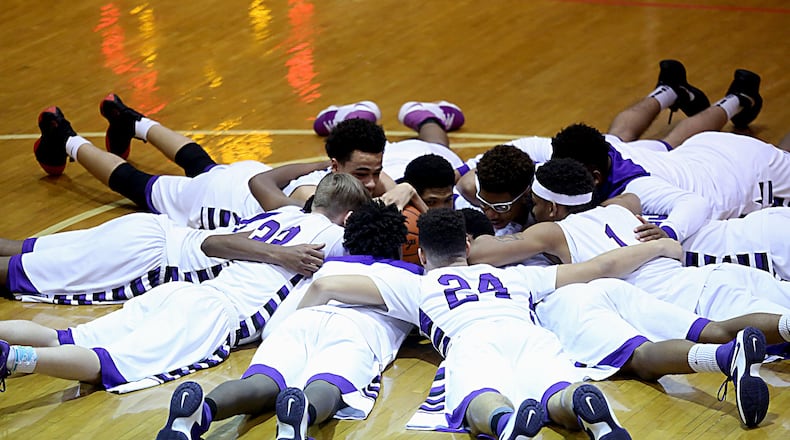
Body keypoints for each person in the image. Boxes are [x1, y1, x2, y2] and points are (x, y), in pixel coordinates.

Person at [297, 208, 698, 439]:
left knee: (475, 400)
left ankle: (505, 425)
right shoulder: (516, 275)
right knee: (554, 389)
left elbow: (330, 285)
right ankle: (581, 407)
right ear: (468, 246)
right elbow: (601, 266)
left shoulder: (415, 285)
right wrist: (659, 246)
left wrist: (296, 325)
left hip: (473, 342)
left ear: (421, 254)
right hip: (529, 333)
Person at [0, 173, 368, 394]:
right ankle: (14, 359)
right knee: (106, 366)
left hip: (182, 291)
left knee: (68, 337)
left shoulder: (278, 215)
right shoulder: (331, 237)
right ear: (349, 217)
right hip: (211, 314)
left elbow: (210, 244)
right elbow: (384, 254)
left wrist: (277, 253)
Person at [156, 199, 418, 439]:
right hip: (356, 331)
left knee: (260, 383)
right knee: (327, 384)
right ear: (400, 244)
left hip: (298, 321)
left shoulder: (324, 266)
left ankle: (201, 411)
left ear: (347, 237)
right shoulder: (412, 278)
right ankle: (298, 419)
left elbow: (278, 321)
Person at [469, 158, 790, 329]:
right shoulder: (623, 206)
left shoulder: (552, 232)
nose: (533, 210)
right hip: (716, 275)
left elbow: (483, 253)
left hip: (692, 298)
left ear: (552, 208)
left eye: (535, 203)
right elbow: (631, 197)